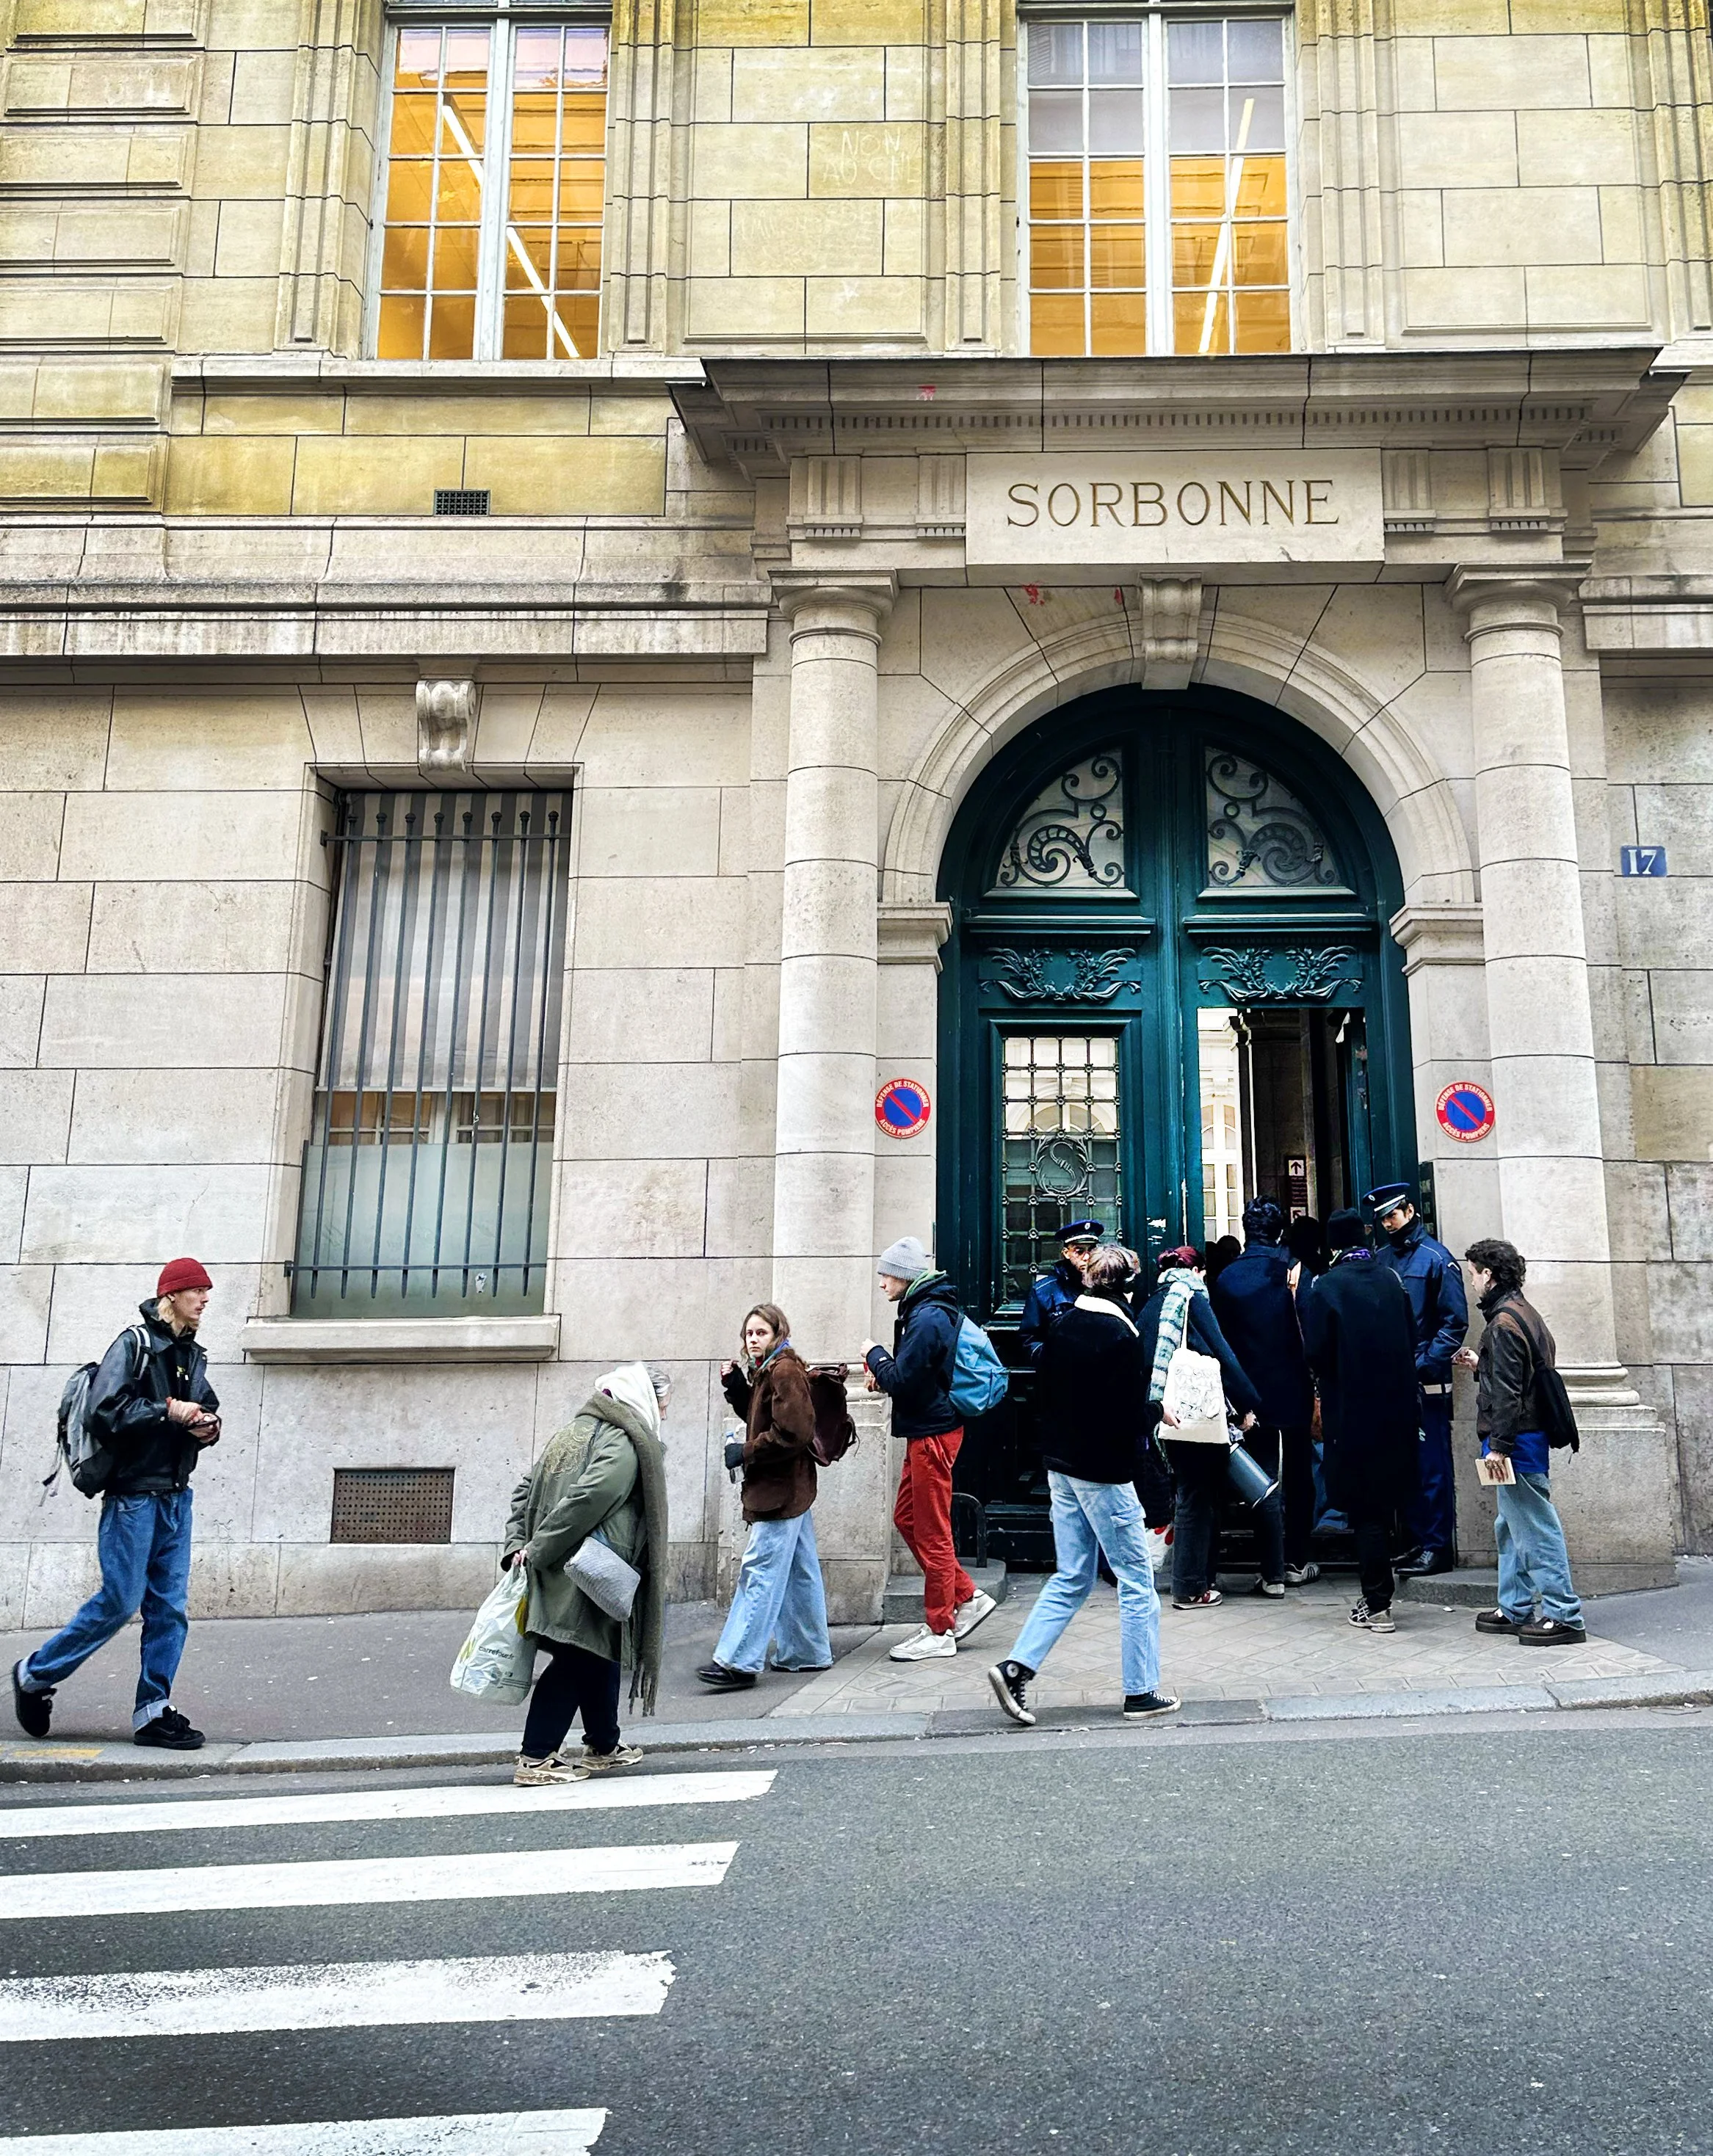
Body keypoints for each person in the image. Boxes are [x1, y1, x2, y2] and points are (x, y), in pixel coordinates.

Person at [11, 1259, 222, 1751]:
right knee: (121, 1600)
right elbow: (106, 1410)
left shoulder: (192, 1353)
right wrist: (168, 1410)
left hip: (175, 1497)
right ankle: (34, 1674)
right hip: (132, 1498)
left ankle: (153, 1711)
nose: (205, 1299)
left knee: (170, 1609)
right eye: (196, 1291)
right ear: (170, 1295)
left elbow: (206, 1407)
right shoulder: (133, 1344)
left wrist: (208, 1425)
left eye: (206, 1292)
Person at [988, 1247, 1180, 1728]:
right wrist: (1157, 1412)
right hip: (1102, 1471)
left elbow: (1045, 1393)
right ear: (1127, 1286)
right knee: (1136, 1578)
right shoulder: (1121, 1334)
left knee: (1072, 1574)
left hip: (1059, 1464)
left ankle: (1015, 1667)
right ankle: (1140, 1690)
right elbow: (1127, 1415)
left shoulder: (1064, 1324)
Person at [503, 1362, 670, 1785]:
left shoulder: (572, 1430)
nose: (664, 1414)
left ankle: (603, 1744)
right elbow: (593, 1495)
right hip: (588, 1566)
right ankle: (536, 1755)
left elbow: (526, 1488)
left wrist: (518, 1546)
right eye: (663, 1404)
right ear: (644, 1398)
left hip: (565, 1561)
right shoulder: (625, 1441)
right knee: (577, 1654)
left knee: (599, 1648)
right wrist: (537, 1549)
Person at [863, 1236, 996, 1662]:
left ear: (903, 1275)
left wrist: (875, 1356)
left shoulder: (926, 1317)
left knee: (932, 1530)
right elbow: (912, 1375)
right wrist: (885, 1371)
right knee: (908, 1518)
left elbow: (903, 1379)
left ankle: (940, 1629)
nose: (881, 1282)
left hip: (933, 1434)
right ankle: (966, 1595)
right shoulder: (924, 1312)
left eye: (885, 1274)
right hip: (926, 1429)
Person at [1455, 1239, 1587, 1646]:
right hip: (1525, 1436)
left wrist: (1499, 1446)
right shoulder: (1522, 1313)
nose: (1473, 1281)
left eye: (1475, 1273)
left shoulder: (1503, 1325)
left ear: (1489, 1275)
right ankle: (1513, 1606)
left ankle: (1564, 1614)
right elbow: (1521, 1374)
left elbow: (1510, 1393)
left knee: (1534, 1526)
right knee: (1511, 1525)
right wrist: (1484, 1364)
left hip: (1517, 1441)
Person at [697, 1304, 830, 1691]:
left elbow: (794, 1432)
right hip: (789, 1488)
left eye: (761, 1333)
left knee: (759, 1570)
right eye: (748, 1334)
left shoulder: (785, 1370)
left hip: (780, 1490)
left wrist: (746, 1452)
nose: (753, 1340)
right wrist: (739, 1388)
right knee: (798, 1571)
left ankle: (739, 1661)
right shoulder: (770, 1370)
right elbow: (763, 1418)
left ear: (778, 1334)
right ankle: (807, 1652)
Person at [1300, 1210, 1422, 1636]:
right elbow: (1411, 1335)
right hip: (1398, 1412)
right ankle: (1381, 1592)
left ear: (1333, 1246)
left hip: (1352, 1414)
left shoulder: (1327, 1286)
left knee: (1366, 1512)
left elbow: (1314, 1352)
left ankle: (1377, 1603)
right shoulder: (1391, 1279)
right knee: (1387, 1504)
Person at [1136, 1246, 1263, 1611]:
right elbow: (1222, 1354)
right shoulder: (1193, 1300)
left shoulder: (1154, 1302)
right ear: (1200, 1272)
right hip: (1194, 1418)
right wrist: (1247, 1404)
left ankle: (1199, 1578)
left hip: (1161, 1413)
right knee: (1196, 1498)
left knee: (1188, 1495)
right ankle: (1190, 1587)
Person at [1209, 1197, 1319, 1589]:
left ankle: (1266, 1562)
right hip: (1292, 1387)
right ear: (1278, 1232)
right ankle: (1296, 1559)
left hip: (1243, 1394)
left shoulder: (1226, 1278)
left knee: (1257, 1478)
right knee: (1299, 1477)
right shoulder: (1292, 1273)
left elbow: (1218, 1341)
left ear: (1245, 1229)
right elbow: (1312, 1334)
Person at [1368, 1181, 1468, 1578]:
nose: (1388, 1224)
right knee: (1406, 1468)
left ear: (1409, 1211)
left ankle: (1436, 1547)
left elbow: (1454, 1322)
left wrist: (1424, 1364)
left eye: (1392, 1216)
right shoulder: (1382, 1258)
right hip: (1393, 1383)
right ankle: (1416, 1541)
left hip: (1425, 1385)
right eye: (1382, 1220)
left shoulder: (1436, 1259)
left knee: (1432, 1468)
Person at [1018, 1219, 1104, 1367]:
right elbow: (1029, 1338)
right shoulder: (1044, 1291)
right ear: (1066, 1253)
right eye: (1079, 1251)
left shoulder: (1106, 1286)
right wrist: (1053, 1360)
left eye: (1091, 1250)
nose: (1087, 1257)